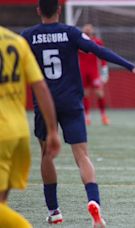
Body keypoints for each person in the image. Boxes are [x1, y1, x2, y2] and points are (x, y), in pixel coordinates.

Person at [21, 0, 135, 226]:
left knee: (46, 155)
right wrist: (131, 66)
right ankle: (94, 204)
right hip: (71, 102)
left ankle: (54, 212)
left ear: (39, 10)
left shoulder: (27, 36)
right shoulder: (71, 33)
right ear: (60, 10)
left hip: (45, 103)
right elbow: (100, 50)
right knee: (82, 156)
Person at [0, 26, 60, 227]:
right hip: (18, 133)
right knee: (2, 205)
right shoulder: (16, 42)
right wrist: (52, 130)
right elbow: (41, 87)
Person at [78, 24, 110, 125]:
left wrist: (104, 71)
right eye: (85, 30)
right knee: (84, 94)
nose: (87, 31)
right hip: (82, 72)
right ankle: (87, 117)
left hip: (94, 72)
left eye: (89, 30)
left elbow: (103, 56)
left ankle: (103, 116)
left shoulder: (97, 42)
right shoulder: (79, 42)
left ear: (92, 31)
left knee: (100, 94)